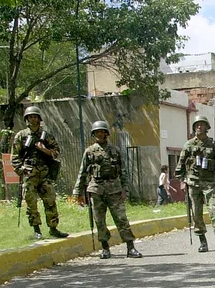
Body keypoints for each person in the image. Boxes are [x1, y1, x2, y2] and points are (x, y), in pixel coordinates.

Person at [73, 120, 142, 259]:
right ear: (94, 134)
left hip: (114, 189)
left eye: (102, 132)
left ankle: (130, 247)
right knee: (99, 220)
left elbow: (123, 171)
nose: (99, 134)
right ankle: (105, 248)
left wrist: (125, 189)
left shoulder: (114, 151)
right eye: (97, 132)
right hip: (96, 188)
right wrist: (77, 191)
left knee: (122, 219)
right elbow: (82, 173)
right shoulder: (89, 151)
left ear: (106, 134)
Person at [10, 105, 68, 240]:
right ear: (26, 119)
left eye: (35, 117)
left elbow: (56, 152)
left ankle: (53, 228)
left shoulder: (46, 136)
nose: (33, 119)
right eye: (30, 117)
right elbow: (14, 157)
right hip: (29, 174)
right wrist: (21, 170)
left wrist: (45, 150)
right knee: (31, 202)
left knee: (50, 200)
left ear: (39, 119)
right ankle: (36, 229)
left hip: (44, 173)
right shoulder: (21, 136)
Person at [176, 115, 215, 253]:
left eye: (202, 124)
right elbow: (180, 166)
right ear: (194, 127)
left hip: (210, 184)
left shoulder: (213, 146)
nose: (199, 126)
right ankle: (203, 242)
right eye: (197, 124)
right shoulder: (188, 145)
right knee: (196, 214)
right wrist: (182, 181)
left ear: (207, 127)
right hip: (193, 184)